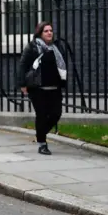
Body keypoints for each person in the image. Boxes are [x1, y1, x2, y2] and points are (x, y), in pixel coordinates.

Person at [17, 21, 67, 155]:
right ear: (40, 33)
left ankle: (40, 133)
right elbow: (23, 65)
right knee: (42, 115)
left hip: (54, 88)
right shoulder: (32, 47)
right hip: (37, 88)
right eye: (46, 31)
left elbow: (61, 65)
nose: (49, 33)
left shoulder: (56, 47)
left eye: (51, 30)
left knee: (56, 114)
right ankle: (42, 144)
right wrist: (22, 84)